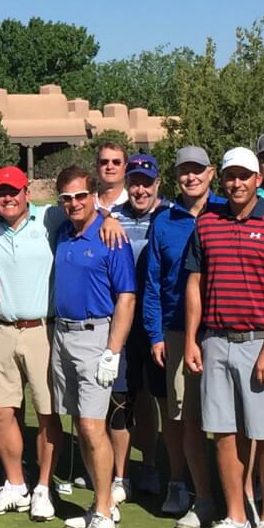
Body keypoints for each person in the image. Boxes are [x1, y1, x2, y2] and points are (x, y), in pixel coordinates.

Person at [181, 147, 264, 528]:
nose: (236, 184)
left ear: (257, 180)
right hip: (215, 341)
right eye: (230, 176)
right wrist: (193, 339)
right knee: (223, 434)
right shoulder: (207, 223)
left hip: (259, 343)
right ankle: (235, 519)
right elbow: (194, 285)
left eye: (244, 177)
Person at [48, 164, 139, 528]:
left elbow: (127, 298)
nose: (74, 203)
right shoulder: (63, 235)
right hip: (63, 336)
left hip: (96, 336)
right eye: (67, 198)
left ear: (94, 196)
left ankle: (104, 511)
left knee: (91, 427)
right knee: (80, 428)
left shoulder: (111, 237)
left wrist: (112, 351)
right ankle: (99, 504)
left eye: (81, 196)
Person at [0, 165, 64, 522]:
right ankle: (16, 486)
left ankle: (43, 486)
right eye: (2, 193)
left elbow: (92, 206)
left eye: (14, 191)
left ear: (27, 192)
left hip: (41, 330)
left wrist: (109, 220)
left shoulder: (49, 219)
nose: (8, 198)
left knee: (46, 413)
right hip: (1, 329)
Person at [144, 145, 218, 526]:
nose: (191, 177)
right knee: (184, 417)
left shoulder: (225, 212)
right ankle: (188, 489)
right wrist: (155, 333)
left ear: (211, 173)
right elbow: (154, 282)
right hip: (175, 330)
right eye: (184, 172)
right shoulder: (164, 221)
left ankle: (242, 493)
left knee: (229, 419)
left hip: (221, 329)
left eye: (198, 170)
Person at [109, 153, 166, 501]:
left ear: (157, 183)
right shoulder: (113, 218)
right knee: (121, 398)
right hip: (122, 323)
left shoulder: (170, 215)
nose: (140, 189)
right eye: (134, 182)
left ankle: (153, 467)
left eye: (146, 182)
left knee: (155, 398)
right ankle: (120, 476)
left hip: (157, 321)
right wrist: (106, 217)